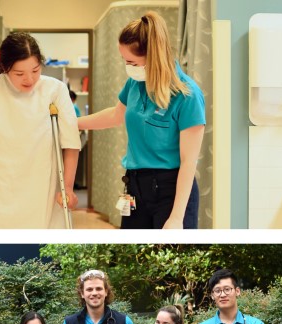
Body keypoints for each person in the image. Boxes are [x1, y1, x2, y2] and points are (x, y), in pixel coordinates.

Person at [76, 11, 206, 229]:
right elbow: (115, 115)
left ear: (154, 57)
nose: (128, 67)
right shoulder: (136, 83)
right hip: (135, 186)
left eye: (132, 62)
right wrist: (72, 122)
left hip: (171, 190)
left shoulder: (187, 96)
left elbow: (188, 162)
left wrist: (175, 218)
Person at [0, 31, 81, 229]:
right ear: (5, 67)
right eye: (19, 74)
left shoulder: (55, 90)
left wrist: (68, 188)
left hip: (41, 182)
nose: (29, 79)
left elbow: (70, 142)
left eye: (35, 70)